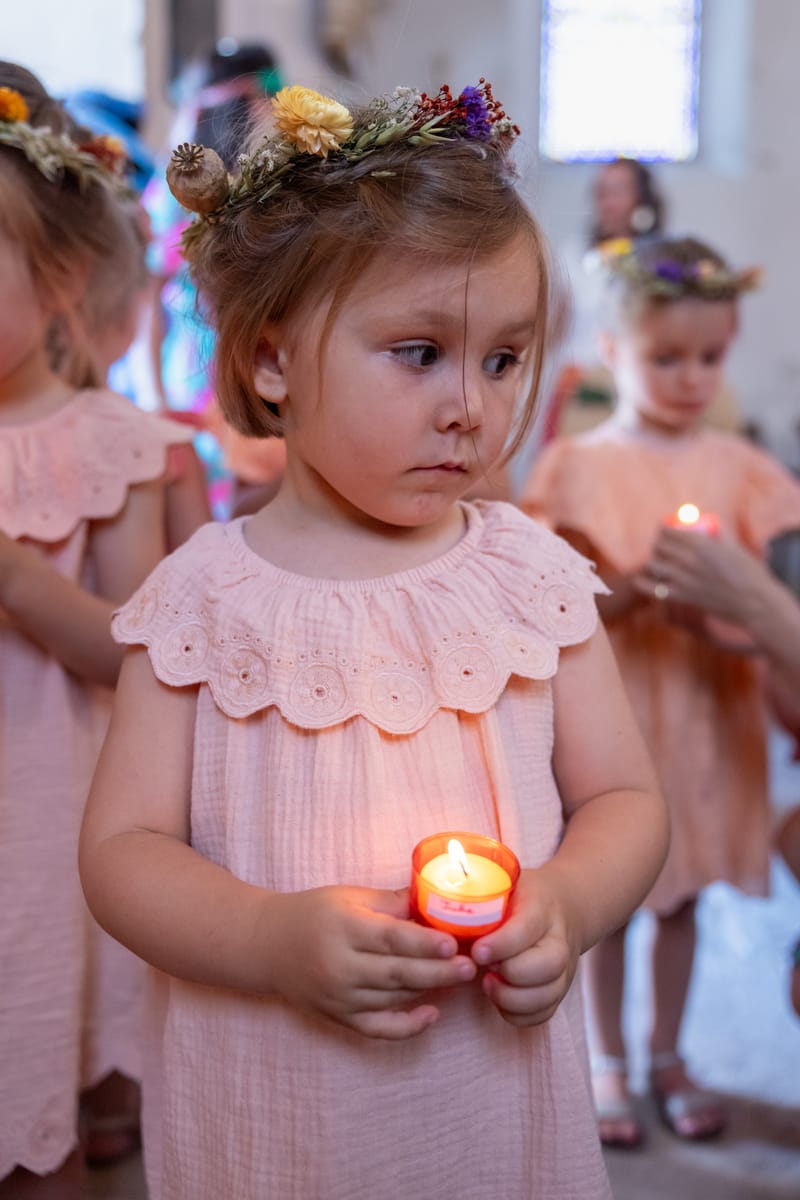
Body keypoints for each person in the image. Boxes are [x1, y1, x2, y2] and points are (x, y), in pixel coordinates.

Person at [79, 82, 669, 1200]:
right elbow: (120, 854)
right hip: (277, 1110)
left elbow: (625, 802)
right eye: (417, 353)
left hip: (486, 1101)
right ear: (269, 363)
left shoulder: (529, 578)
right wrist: (264, 938)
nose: (471, 408)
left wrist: (571, 902)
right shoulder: (200, 598)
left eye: (501, 360)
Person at [520, 235, 800, 1148]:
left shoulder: (742, 468)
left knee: (682, 898)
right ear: (611, 352)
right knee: (612, 895)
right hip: (625, 712)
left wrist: (717, 616)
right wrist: (632, 591)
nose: (689, 378)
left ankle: (669, 1052)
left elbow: (766, 608)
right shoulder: (581, 469)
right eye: (664, 358)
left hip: (710, 715)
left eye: (709, 358)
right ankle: (606, 1061)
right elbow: (554, 605)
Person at [0, 65, 196, 1198]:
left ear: (61, 273)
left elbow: (139, 652)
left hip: (40, 819)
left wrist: (15, 580)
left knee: (33, 1107)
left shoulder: (106, 442)